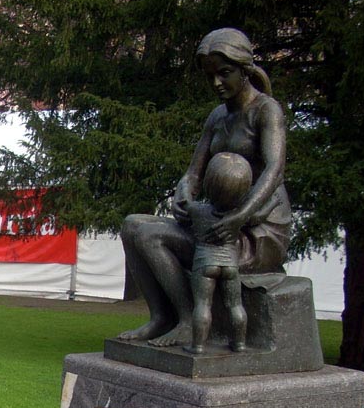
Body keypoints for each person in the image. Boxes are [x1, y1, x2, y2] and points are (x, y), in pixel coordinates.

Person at [118, 28, 290, 347]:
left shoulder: (266, 110)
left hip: (258, 231)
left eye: (224, 74)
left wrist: (241, 216)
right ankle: (161, 317)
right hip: (218, 219)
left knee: (149, 235)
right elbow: (194, 172)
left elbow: (274, 170)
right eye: (211, 76)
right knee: (132, 226)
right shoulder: (218, 116)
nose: (217, 84)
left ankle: (187, 321)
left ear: (245, 69)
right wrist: (183, 193)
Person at [185, 152, 253, 354]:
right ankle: (239, 343)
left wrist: (184, 186)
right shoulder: (238, 216)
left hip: (205, 263)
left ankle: (198, 345)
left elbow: (185, 202)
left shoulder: (198, 210)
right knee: (235, 305)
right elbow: (258, 214)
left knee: (203, 305)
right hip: (230, 264)